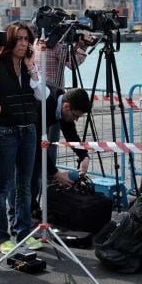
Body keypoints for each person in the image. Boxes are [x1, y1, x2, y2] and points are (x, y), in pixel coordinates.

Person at [0, 21, 45, 255]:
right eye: (19, 39)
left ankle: (23, 232)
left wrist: (32, 68)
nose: (23, 43)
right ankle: (0, 236)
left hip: (29, 131)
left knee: (25, 186)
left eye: (27, 39)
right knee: (2, 186)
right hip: (6, 132)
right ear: (10, 41)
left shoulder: (29, 68)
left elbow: (42, 94)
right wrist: (0, 109)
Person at [31, 79, 92, 214]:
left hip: (33, 135)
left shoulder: (64, 100)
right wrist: (56, 173)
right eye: (76, 115)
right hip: (17, 130)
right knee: (29, 176)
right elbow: (36, 146)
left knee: (35, 174)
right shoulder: (44, 106)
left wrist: (84, 156)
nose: (76, 119)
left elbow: (70, 133)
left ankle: (32, 209)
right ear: (66, 106)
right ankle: (22, 217)